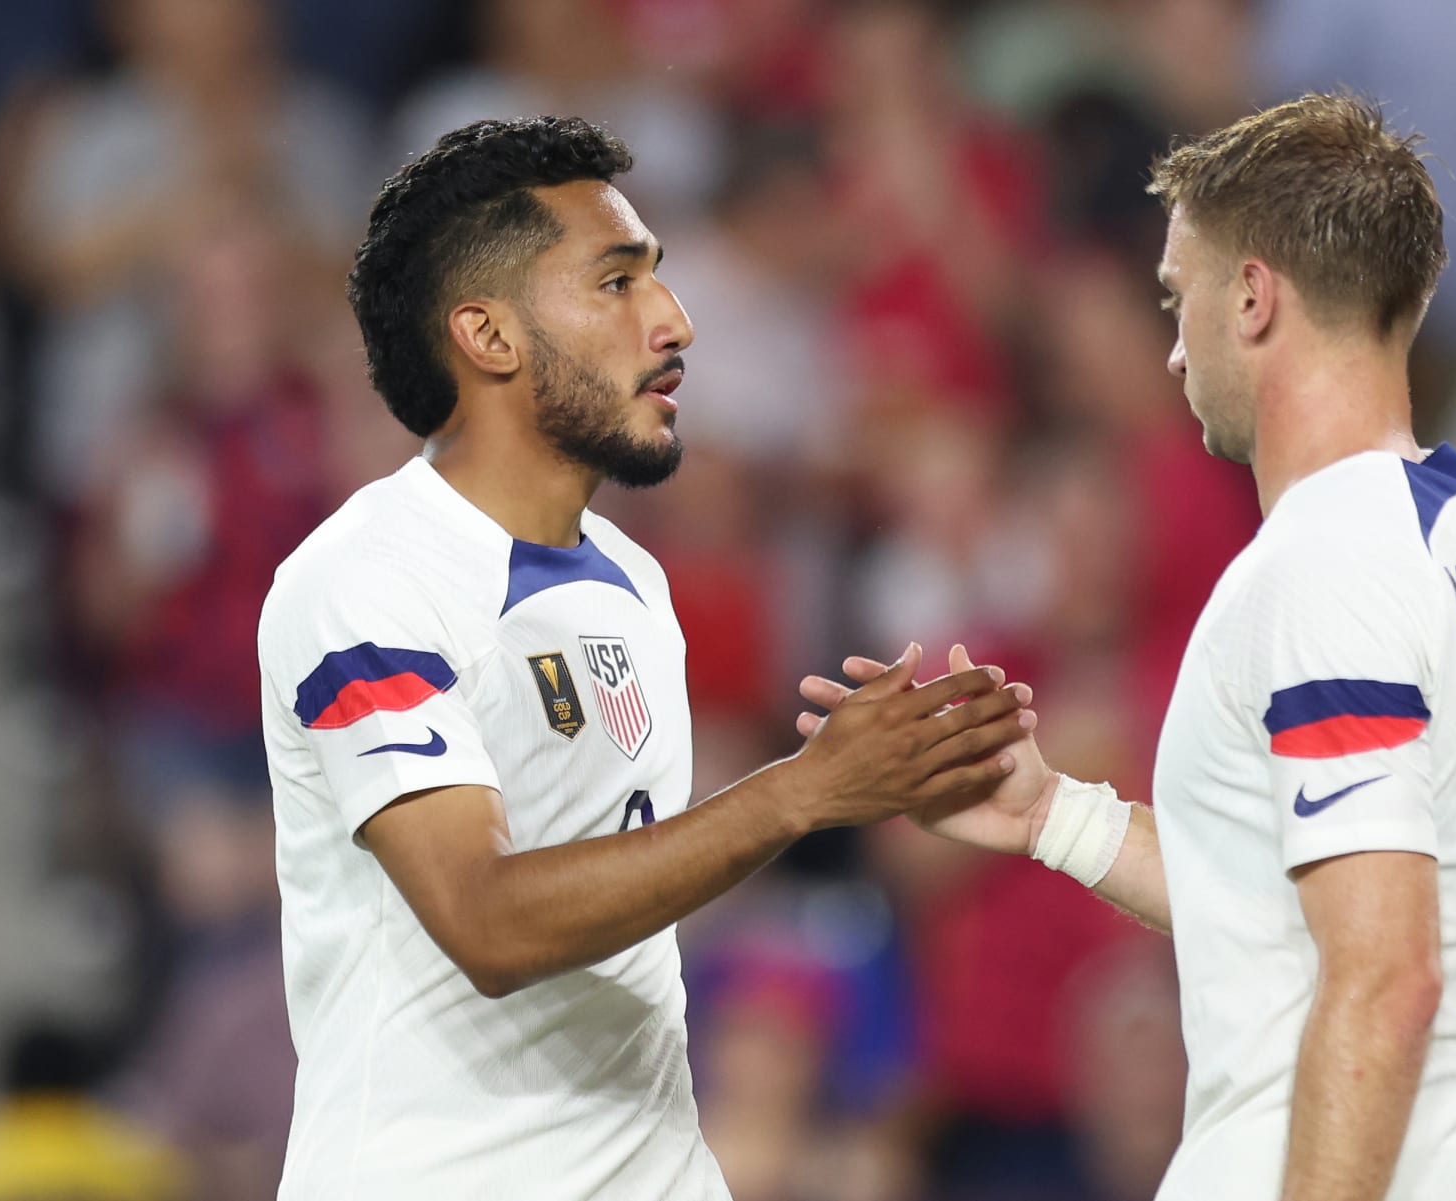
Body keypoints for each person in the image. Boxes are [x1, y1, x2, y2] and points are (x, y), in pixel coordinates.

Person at [799, 93, 1456, 1201]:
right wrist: (1049, 813)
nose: (1172, 351)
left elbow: (1385, 980)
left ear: (1253, 296)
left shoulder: (1325, 565)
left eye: (1179, 297)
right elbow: (1294, 904)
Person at [256, 116, 1034, 1201]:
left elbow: (633, 904)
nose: (674, 320)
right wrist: (801, 792)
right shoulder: (367, 583)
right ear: (489, 336)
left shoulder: (634, 582)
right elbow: (485, 919)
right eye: (617, 283)